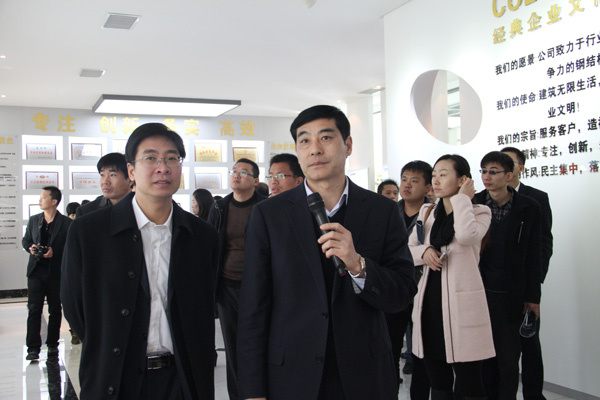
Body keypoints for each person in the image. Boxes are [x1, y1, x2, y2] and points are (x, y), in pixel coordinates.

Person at [237, 105, 417, 400]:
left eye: (326, 137)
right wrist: (253, 391)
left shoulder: (382, 211)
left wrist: (358, 265)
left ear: (348, 145)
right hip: (292, 375)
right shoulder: (269, 215)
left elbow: (401, 294)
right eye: (304, 141)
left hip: (365, 374)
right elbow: (253, 307)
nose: (315, 149)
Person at [61, 123, 218, 399]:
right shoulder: (89, 232)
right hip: (115, 377)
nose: (163, 167)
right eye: (150, 158)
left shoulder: (202, 236)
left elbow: (204, 308)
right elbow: (75, 307)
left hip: (182, 379)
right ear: (131, 171)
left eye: (171, 158)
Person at [408, 154, 494, 400]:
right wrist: (424, 251)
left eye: (443, 175)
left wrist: (462, 200)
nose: (435, 180)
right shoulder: (427, 212)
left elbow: (466, 235)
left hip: (462, 307)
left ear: (462, 180)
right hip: (430, 306)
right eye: (434, 175)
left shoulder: (479, 211)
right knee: (438, 381)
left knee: (469, 383)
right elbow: (409, 249)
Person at [473, 151, 542, 400]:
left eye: (493, 172)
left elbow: (535, 254)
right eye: (483, 171)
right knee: (483, 358)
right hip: (479, 293)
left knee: (508, 360)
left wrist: (533, 296)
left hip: (512, 295)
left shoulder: (528, 207)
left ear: (509, 175)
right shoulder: (474, 204)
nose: (487, 177)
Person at [207, 158, 267, 400]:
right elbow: (211, 246)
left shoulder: (264, 207)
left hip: (259, 285)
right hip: (228, 284)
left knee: (258, 340)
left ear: (255, 180)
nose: (236, 175)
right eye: (234, 171)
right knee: (232, 343)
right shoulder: (220, 208)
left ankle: (259, 391)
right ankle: (238, 395)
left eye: (243, 172)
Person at [501, 147, 552, 400]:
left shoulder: (536, 198)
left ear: (520, 168)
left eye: (508, 162)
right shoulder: (484, 198)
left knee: (529, 345)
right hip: (496, 288)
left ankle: (534, 395)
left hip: (525, 288)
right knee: (501, 350)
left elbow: (543, 244)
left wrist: (534, 285)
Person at [395, 161, 433, 399]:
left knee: (422, 352)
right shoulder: (388, 212)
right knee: (390, 348)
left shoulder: (434, 213)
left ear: (428, 187)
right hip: (395, 290)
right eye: (404, 179)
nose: (407, 185)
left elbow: (437, 251)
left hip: (424, 290)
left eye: (414, 181)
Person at [22, 186, 72, 361]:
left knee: (55, 310)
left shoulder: (66, 223)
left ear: (54, 201)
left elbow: (70, 247)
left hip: (55, 272)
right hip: (36, 271)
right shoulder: (34, 220)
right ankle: (33, 348)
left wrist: (54, 253)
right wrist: (31, 247)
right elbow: (26, 240)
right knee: (34, 309)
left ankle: (52, 344)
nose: (40, 200)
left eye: (44, 197)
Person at [76, 152, 132, 217]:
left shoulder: (141, 207)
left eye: (112, 175)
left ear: (130, 179)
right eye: (102, 175)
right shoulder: (85, 212)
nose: (105, 181)